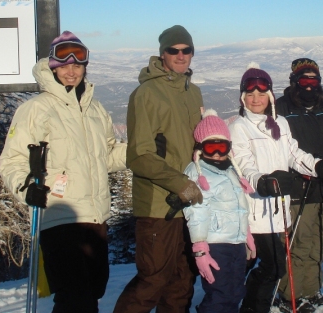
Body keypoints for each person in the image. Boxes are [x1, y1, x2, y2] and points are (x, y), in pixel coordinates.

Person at [0, 31, 127, 313]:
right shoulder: (35, 109)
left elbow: (107, 157)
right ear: (52, 68)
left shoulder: (96, 109)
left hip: (95, 216)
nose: (72, 71)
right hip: (59, 215)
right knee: (74, 298)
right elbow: (11, 161)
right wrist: (26, 188)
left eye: (78, 65)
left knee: (92, 291)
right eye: (65, 65)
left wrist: (140, 150)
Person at [229, 64, 323, 313]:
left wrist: (320, 167)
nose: (256, 99)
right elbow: (243, 165)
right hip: (257, 210)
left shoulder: (279, 123)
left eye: (261, 94)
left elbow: (294, 154)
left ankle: (247, 302)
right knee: (271, 266)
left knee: (273, 265)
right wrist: (262, 181)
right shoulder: (239, 128)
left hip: (279, 211)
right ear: (243, 97)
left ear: (269, 96)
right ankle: (248, 305)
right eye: (250, 94)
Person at [112, 25, 204, 313]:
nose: (180, 55)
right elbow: (139, 155)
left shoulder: (193, 92)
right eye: (173, 50)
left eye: (185, 50)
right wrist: (180, 183)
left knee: (182, 279)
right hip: (158, 204)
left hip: (189, 204)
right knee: (153, 280)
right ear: (162, 54)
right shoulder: (147, 93)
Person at [274, 58, 323, 312]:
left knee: (320, 242)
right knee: (300, 242)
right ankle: (290, 294)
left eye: (313, 80)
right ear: (294, 81)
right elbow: (280, 149)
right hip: (300, 186)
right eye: (303, 80)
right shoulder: (281, 108)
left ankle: (311, 289)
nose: (309, 85)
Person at [182, 109, 256, 313]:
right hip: (216, 245)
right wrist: (200, 249)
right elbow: (196, 212)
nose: (216, 152)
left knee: (236, 292)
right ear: (200, 146)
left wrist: (246, 234)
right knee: (220, 295)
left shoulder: (231, 171)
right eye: (210, 146)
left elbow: (238, 207)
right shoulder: (196, 172)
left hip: (236, 243)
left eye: (222, 146)